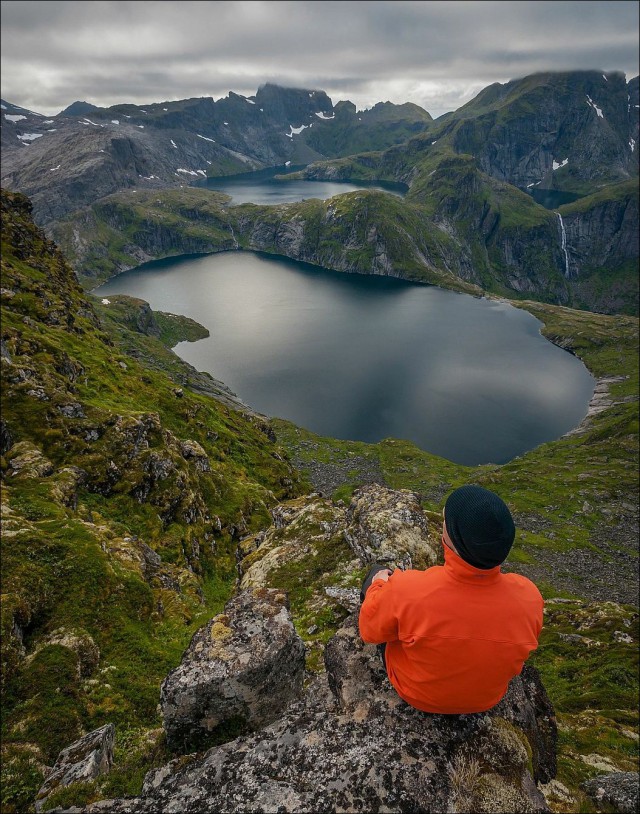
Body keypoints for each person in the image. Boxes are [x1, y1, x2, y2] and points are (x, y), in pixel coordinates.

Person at [358, 484, 544, 714]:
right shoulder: (529, 597)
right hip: (485, 700)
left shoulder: (408, 589)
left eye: (446, 519)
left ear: (453, 538)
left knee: (375, 576)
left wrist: (380, 582)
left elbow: (369, 632)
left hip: (417, 694)